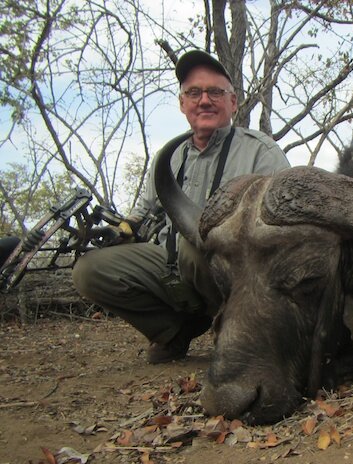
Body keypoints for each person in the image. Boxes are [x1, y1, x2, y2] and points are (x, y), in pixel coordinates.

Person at [72, 50, 290, 363]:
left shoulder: (260, 151)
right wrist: (120, 231)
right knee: (89, 271)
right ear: (182, 103)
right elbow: (141, 212)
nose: (204, 100)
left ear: (233, 103)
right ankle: (173, 332)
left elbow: (283, 224)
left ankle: (240, 332)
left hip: (234, 271)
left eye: (216, 92)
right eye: (194, 92)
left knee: (194, 248)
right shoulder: (169, 155)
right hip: (170, 261)